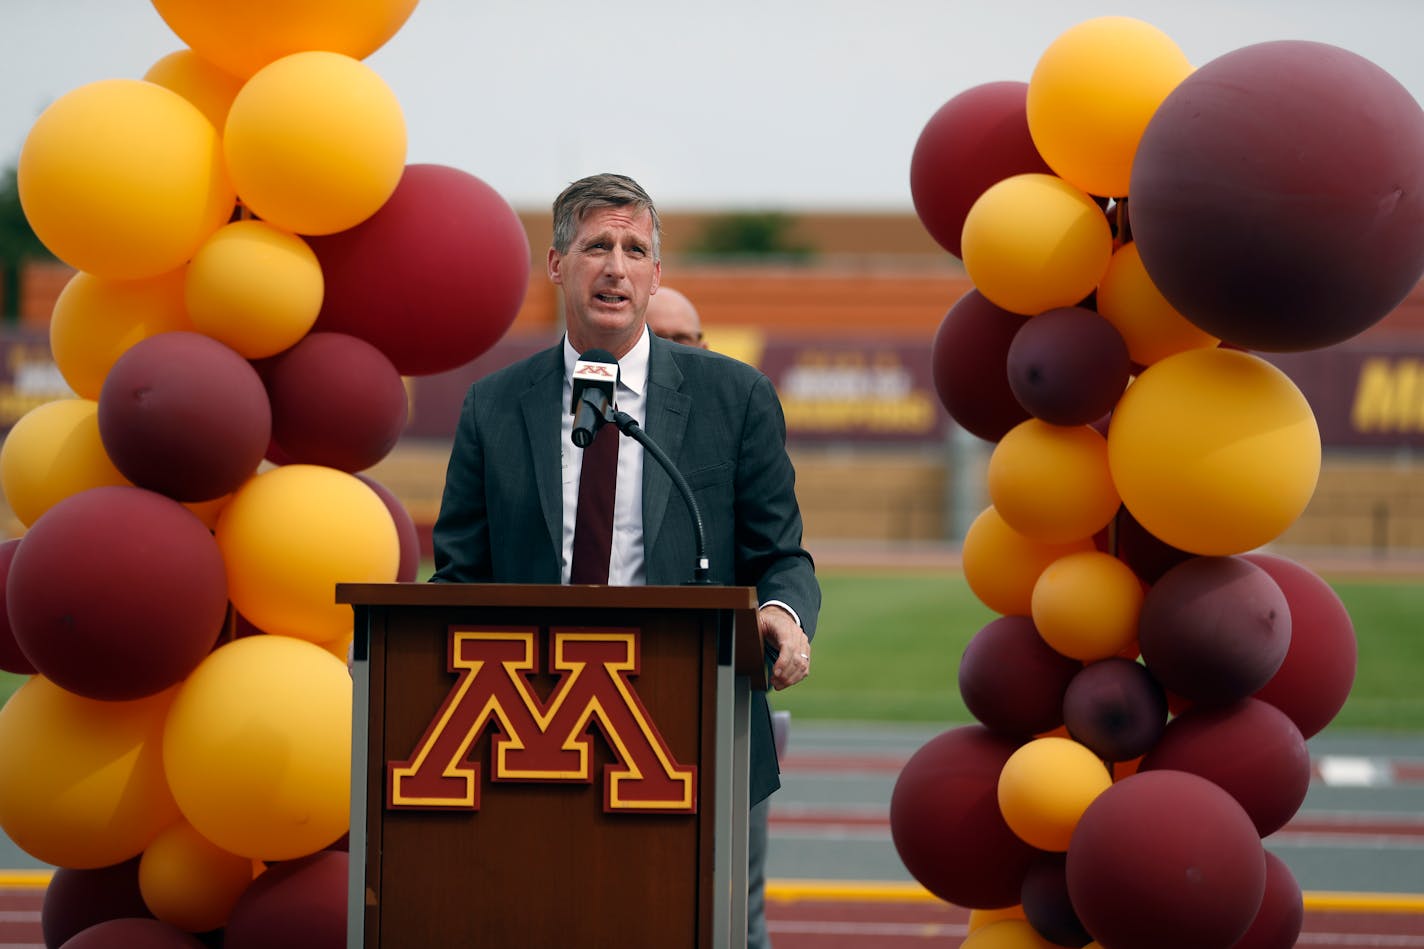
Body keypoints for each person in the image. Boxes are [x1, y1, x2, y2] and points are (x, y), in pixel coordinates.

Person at [430, 173, 819, 937]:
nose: (615, 266)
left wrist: (781, 613)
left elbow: (782, 555)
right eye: (596, 246)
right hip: (531, 731)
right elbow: (458, 576)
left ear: (655, 275)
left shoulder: (734, 398)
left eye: (634, 249)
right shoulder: (494, 405)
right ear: (556, 264)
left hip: (685, 726)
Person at [645, 282, 782, 949]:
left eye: (687, 340)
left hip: (719, 703)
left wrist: (782, 611)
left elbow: (780, 551)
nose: (678, 354)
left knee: (735, 914)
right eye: (661, 339)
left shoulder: (740, 412)